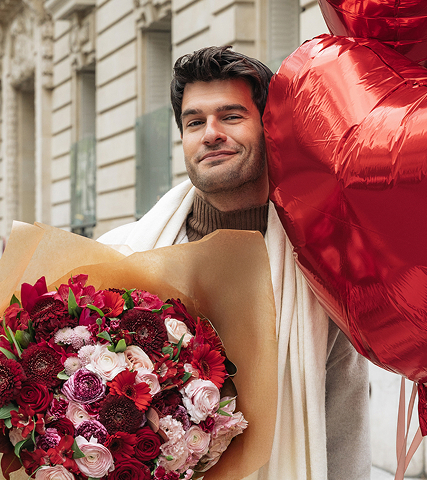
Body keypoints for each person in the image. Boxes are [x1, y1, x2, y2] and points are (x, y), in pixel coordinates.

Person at [98, 46, 371, 480]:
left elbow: (342, 424)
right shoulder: (122, 255)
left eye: (230, 116)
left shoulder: (318, 269)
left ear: (270, 129)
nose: (210, 133)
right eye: (194, 122)